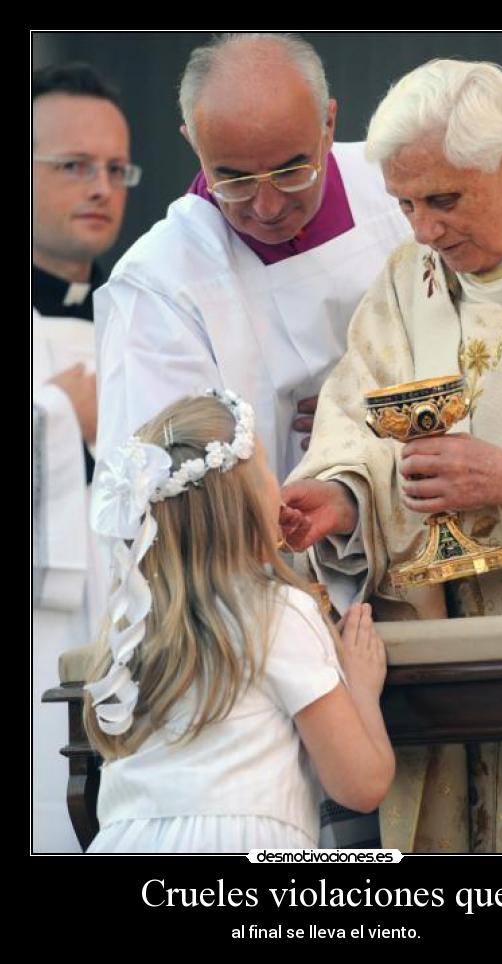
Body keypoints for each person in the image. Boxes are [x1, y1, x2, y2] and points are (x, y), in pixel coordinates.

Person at [281, 59, 502, 853]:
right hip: (446, 682)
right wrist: (345, 498)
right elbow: (357, 418)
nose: (423, 232)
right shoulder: (409, 280)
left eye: (443, 200)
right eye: (404, 205)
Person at [83, 390, 394, 853]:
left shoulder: (130, 624)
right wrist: (362, 689)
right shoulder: (278, 612)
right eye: (266, 471)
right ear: (245, 504)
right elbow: (362, 784)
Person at [93, 32, 411, 479]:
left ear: (328, 124)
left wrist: (389, 406)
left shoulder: (401, 189)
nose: (268, 208)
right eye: (236, 180)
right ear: (195, 144)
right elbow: (162, 481)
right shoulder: (160, 283)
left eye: (291, 171)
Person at [33, 62, 140, 853]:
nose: (101, 187)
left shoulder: (146, 316)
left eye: (115, 169)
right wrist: (58, 416)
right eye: (73, 165)